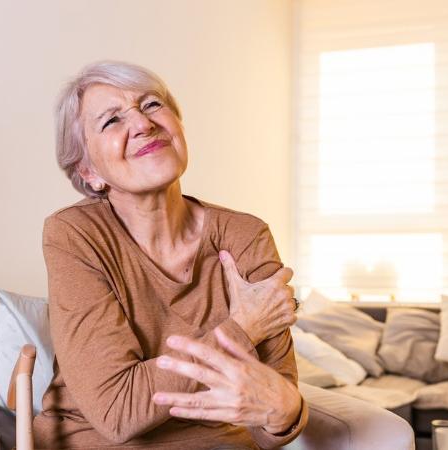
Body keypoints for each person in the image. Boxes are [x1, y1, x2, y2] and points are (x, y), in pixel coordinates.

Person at [33, 61, 308, 450]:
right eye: (112, 121)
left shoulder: (246, 234)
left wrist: (284, 409)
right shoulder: (76, 234)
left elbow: (272, 418)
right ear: (89, 171)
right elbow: (117, 410)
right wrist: (244, 327)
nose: (143, 124)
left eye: (151, 105)